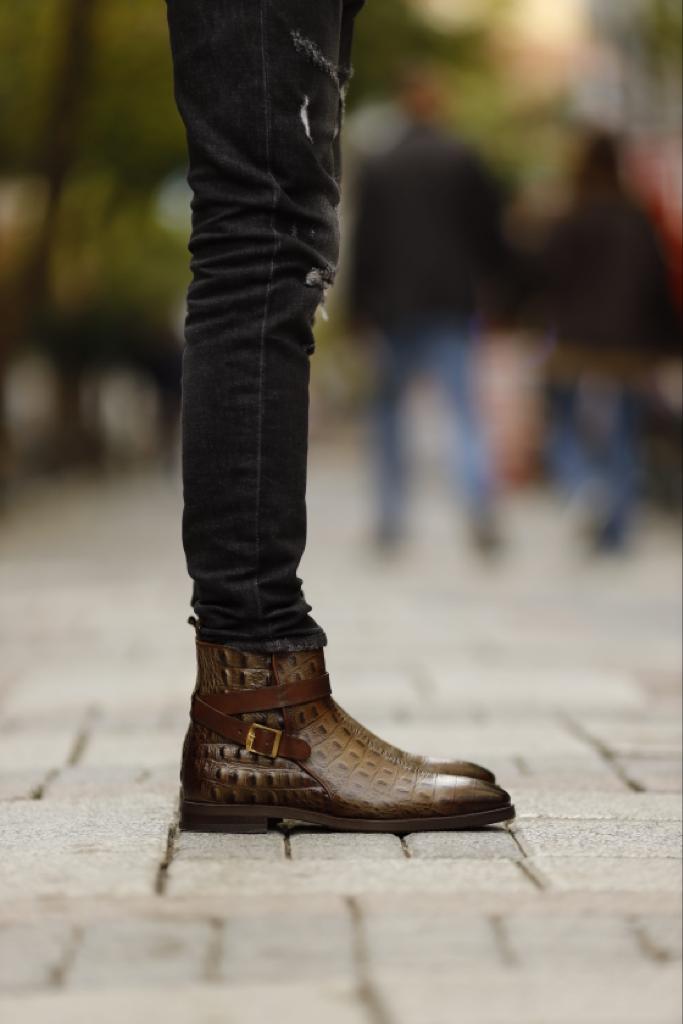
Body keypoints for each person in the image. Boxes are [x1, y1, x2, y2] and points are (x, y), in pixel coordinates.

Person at [166, 0, 513, 834]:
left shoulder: (398, 157)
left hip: (400, 304)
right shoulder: (449, 153)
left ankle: (260, 687)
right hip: (442, 302)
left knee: (275, 229)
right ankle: (259, 702)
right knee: (264, 229)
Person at [349, 68, 509, 554]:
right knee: (462, 410)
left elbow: (365, 242)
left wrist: (359, 307)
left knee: (389, 413)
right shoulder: (463, 157)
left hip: (393, 305)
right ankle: (478, 504)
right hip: (450, 300)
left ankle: (390, 517)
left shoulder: (381, 163)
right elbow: (490, 233)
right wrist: (501, 289)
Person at [543, 132, 680, 552]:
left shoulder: (572, 216)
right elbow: (657, 281)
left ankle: (582, 482)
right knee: (625, 431)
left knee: (564, 417)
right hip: (629, 343)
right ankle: (616, 524)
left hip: (577, 340)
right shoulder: (636, 219)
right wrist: (665, 339)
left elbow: (548, 276)